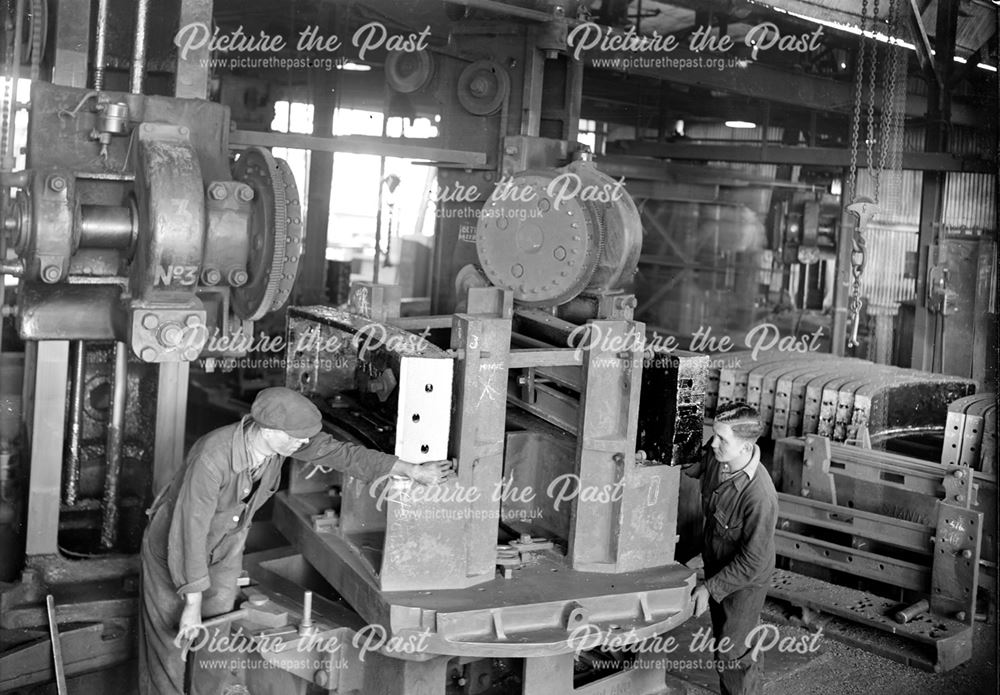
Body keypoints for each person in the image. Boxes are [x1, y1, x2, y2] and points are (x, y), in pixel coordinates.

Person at [138, 386, 454, 695]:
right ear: (266, 428)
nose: (304, 442)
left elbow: (344, 455)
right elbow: (189, 529)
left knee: (214, 641)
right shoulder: (213, 456)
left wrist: (410, 470)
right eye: (297, 436)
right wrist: (192, 603)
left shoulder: (283, 441)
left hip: (225, 546)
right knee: (172, 643)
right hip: (173, 550)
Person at [684, 403, 778, 695]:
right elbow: (690, 465)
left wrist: (710, 588)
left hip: (744, 581)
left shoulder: (760, 496)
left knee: (732, 652)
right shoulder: (718, 457)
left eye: (722, 439)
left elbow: (752, 561)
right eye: (714, 435)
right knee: (733, 643)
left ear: (747, 447)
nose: (713, 443)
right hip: (717, 562)